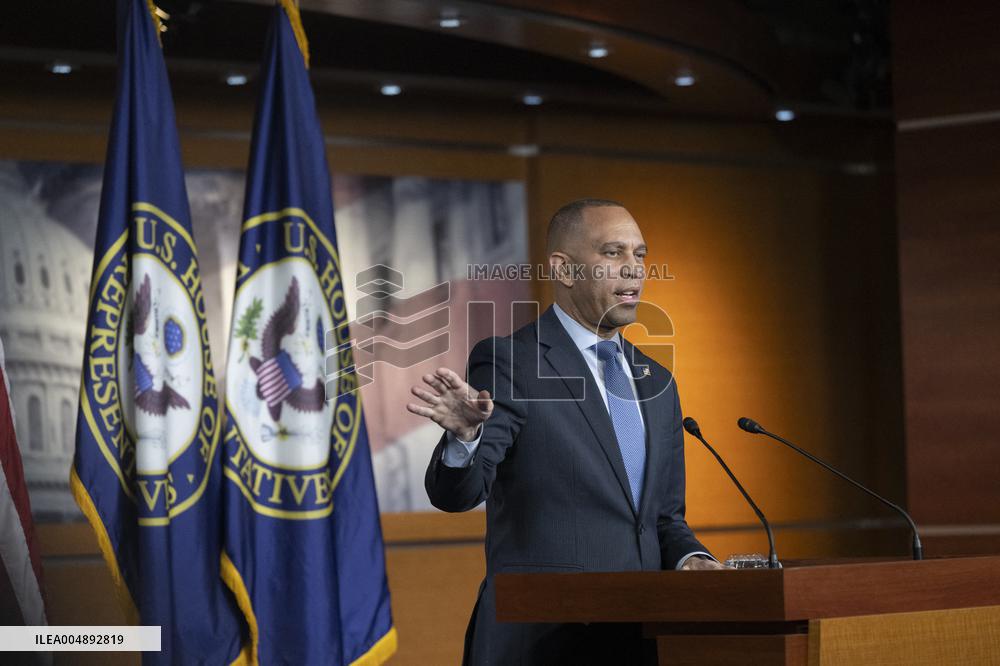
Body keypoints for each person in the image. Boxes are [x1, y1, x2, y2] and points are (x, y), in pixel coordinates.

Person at [407, 199, 723, 665]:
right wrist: (465, 439)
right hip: (541, 643)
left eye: (640, 254)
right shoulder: (513, 362)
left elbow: (663, 520)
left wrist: (690, 558)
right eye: (613, 252)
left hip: (638, 641)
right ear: (564, 268)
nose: (634, 268)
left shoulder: (658, 382)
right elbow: (458, 494)